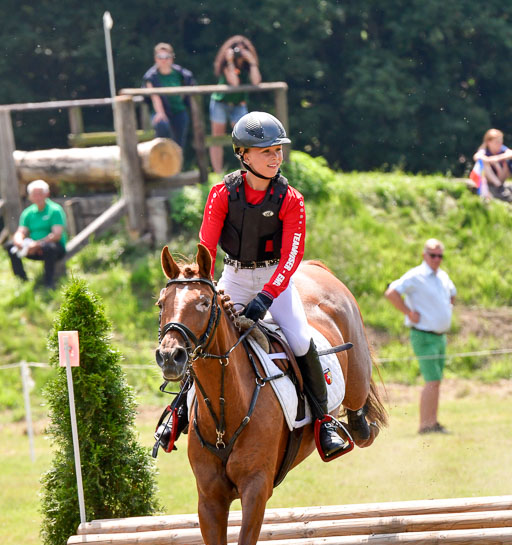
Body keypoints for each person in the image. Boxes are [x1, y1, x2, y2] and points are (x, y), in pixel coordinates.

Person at [196, 110, 362, 460]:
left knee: (301, 340)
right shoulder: (221, 194)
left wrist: (267, 297)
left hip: (277, 278)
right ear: (243, 155)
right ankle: (178, 413)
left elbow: (291, 257)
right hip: (234, 279)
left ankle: (323, 422)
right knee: (204, 336)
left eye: (278, 150)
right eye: (266, 151)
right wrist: (206, 286)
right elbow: (206, 248)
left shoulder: (291, 199)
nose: (276, 157)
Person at [385, 239, 456, 435]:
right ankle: (426, 425)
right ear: (425, 255)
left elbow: (453, 293)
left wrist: (448, 308)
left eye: (440, 255)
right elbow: (391, 293)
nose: (436, 259)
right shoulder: (416, 276)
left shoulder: (442, 276)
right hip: (423, 336)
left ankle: (432, 422)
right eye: (433, 255)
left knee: (436, 381)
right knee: (432, 381)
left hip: (440, 336)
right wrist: (408, 312)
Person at [209, 36, 262, 174]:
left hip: (239, 104)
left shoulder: (247, 66)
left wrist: (252, 62)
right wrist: (230, 61)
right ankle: (217, 172)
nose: (239, 52)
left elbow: (256, 81)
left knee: (243, 137)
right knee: (217, 138)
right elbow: (234, 82)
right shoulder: (226, 65)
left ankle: (247, 170)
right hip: (220, 102)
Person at [4, 179, 67, 289]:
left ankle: (49, 283)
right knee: (10, 246)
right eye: (34, 194)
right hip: (33, 248)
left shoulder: (54, 210)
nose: (37, 197)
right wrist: (18, 241)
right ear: (30, 196)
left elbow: (56, 235)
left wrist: (38, 244)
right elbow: (21, 231)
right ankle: (21, 280)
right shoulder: (28, 213)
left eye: (40, 194)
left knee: (48, 248)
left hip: (53, 248)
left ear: (46, 194)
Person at [142, 42, 196, 147]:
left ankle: (178, 163)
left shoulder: (182, 74)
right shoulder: (151, 76)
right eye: (160, 57)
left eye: (167, 56)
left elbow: (189, 87)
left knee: (179, 145)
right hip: (160, 112)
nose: (163, 60)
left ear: (172, 58)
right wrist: (161, 113)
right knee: (162, 131)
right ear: (155, 58)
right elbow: (155, 97)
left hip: (179, 111)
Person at [471, 129, 512, 202]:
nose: (499, 144)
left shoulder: (502, 149)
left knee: (508, 161)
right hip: (489, 179)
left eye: (500, 142)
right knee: (483, 162)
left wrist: (496, 158)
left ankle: (500, 186)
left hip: (501, 175)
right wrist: (490, 160)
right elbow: (476, 157)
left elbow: (510, 153)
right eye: (497, 142)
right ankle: (499, 186)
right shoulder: (484, 150)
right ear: (489, 142)